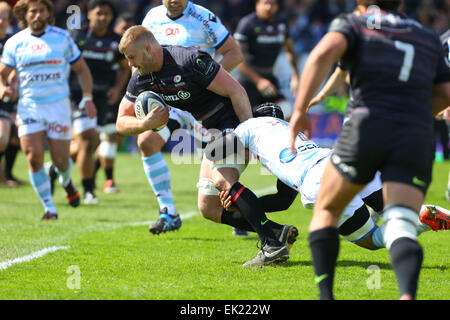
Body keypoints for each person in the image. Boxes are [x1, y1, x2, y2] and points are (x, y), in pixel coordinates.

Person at [288, 0, 450, 300]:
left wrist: (299, 109)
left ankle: (326, 295)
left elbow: (322, 54)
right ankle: (407, 295)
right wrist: (414, 112)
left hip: (366, 126)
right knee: (400, 219)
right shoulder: (426, 35)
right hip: (414, 134)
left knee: (326, 209)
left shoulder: (354, 24)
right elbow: (444, 94)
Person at [205, 103, 450, 267]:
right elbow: (283, 199)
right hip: (343, 159)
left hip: (319, 179)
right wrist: (248, 207)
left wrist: (214, 153)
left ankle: (421, 221)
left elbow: (216, 150)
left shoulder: (251, 126)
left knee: (371, 239)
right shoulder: (288, 132)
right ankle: (420, 213)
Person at [116, 26, 253, 236]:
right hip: (172, 106)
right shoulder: (151, 22)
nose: (130, 65)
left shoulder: (202, 18)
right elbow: (121, 122)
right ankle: (168, 211)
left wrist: (207, 78)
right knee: (147, 143)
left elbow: (235, 54)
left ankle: (240, 210)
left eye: (132, 58)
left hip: (205, 101)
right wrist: (145, 124)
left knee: (218, 171)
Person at [0, 0, 96, 220]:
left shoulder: (62, 38)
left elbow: (82, 70)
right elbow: (2, 72)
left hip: (58, 106)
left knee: (61, 160)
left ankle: (65, 180)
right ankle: (49, 207)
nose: (37, 15)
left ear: (48, 13)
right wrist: (3, 87)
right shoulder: (15, 42)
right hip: (29, 106)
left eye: (41, 10)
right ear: (26, 14)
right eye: (33, 11)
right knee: (33, 157)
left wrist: (88, 97)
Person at [233, 0, 299, 120]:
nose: (268, 7)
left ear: (277, 6)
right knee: (244, 120)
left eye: (272, 4)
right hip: (247, 80)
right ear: (257, 5)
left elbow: (290, 50)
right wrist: (258, 81)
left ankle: (284, 139)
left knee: (286, 111)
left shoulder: (282, 23)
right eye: (265, 3)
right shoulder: (247, 23)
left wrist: (296, 76)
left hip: (269, 78)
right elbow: (237, 58)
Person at [0, 1, 21, 187]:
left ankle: (7, 174)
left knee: (16, 135)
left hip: (10, 97)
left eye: (4, 18)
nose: (0, 21)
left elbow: (16, 68)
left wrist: (14, 84)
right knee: (2, 137)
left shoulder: (12, 43)